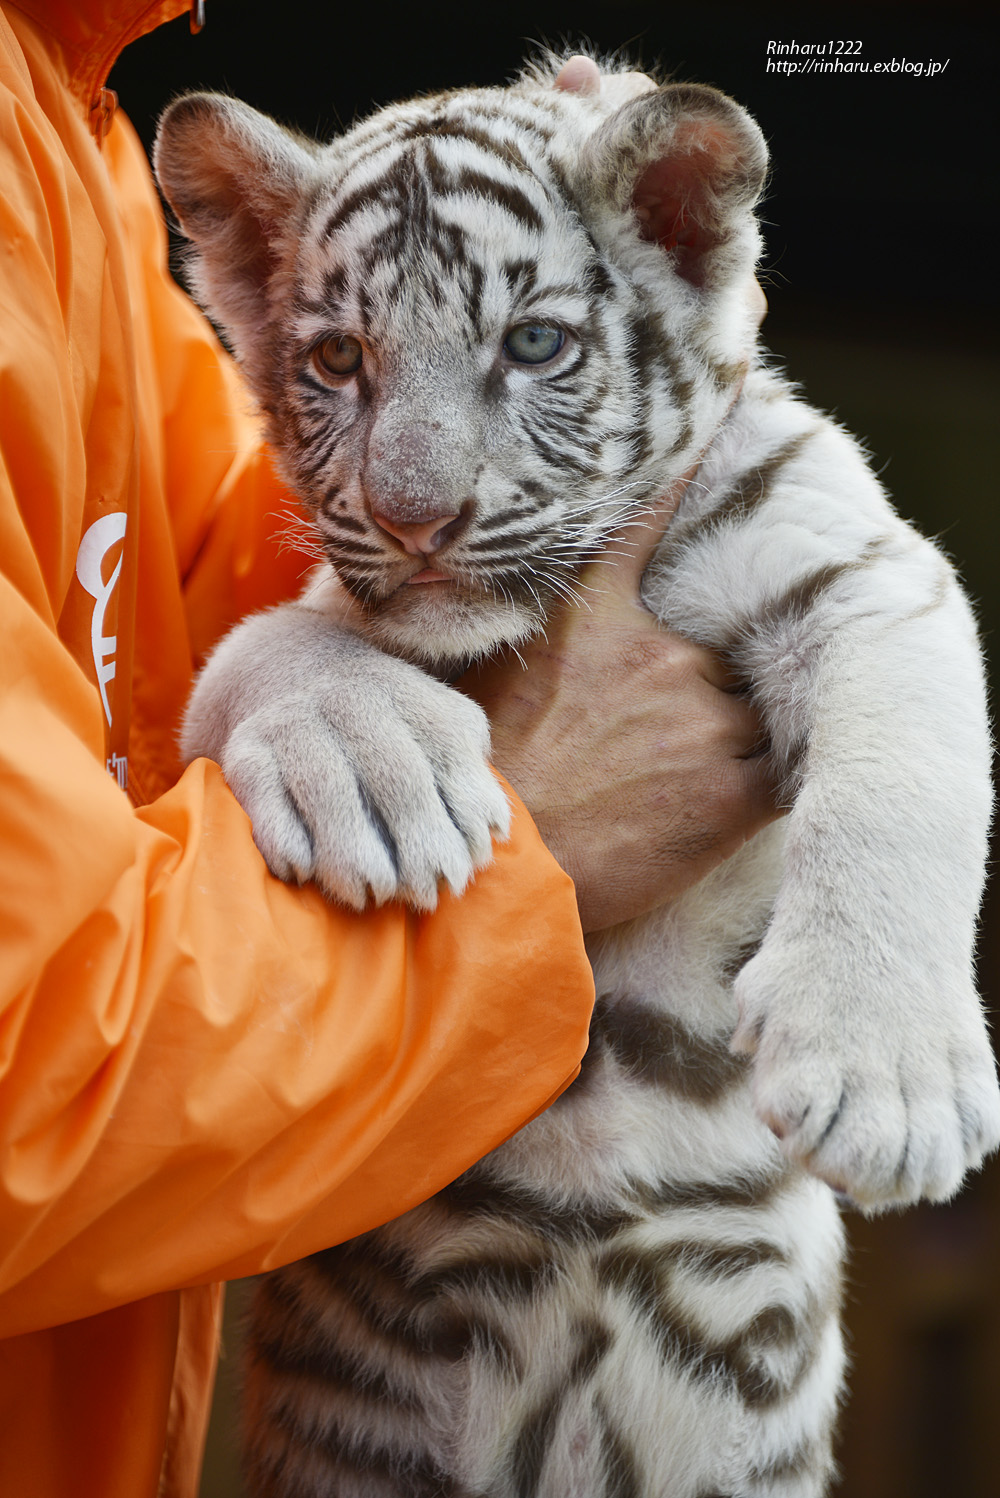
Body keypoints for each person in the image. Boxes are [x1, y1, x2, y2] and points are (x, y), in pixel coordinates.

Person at [0, 5, 777, 1495]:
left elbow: (260, 565)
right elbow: (26, 1086)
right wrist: (525, 840)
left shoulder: (66, 119)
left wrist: (627, 319)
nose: (411, 491)